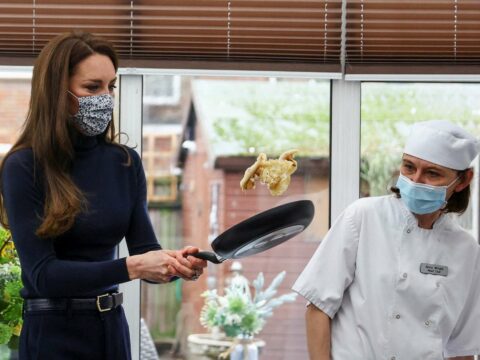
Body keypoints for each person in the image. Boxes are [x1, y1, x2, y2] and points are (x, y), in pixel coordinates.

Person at [0, 31, 207, 359]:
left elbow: (145, 250)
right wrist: (133, 267)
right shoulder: (24, 166)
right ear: (57, 92)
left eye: (111, 86)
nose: (106, 98)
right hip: (52, 335)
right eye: (92, 87)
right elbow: (42, 275)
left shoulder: (124, 162)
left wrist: (173, 264)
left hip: (111, 331)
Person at [292, 120, 480, 360]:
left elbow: (461, 348)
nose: (416, 180)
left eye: (432, 173)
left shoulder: (466, 250)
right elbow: (318, 307)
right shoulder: (363, 217)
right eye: (409, 167)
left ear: (463, 181)